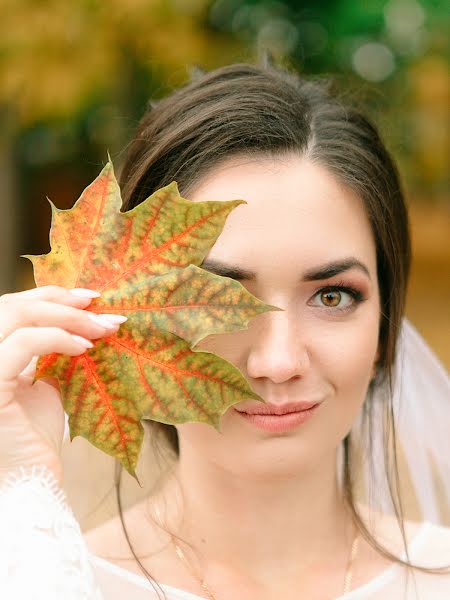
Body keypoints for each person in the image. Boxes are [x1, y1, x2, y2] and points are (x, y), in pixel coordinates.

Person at [0, 59, 449, 600]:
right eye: (215, 302)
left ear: (384, 326)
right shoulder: (46, 577)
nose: (279, 363)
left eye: (332, 296)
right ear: (125, 321)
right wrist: (25, 492)